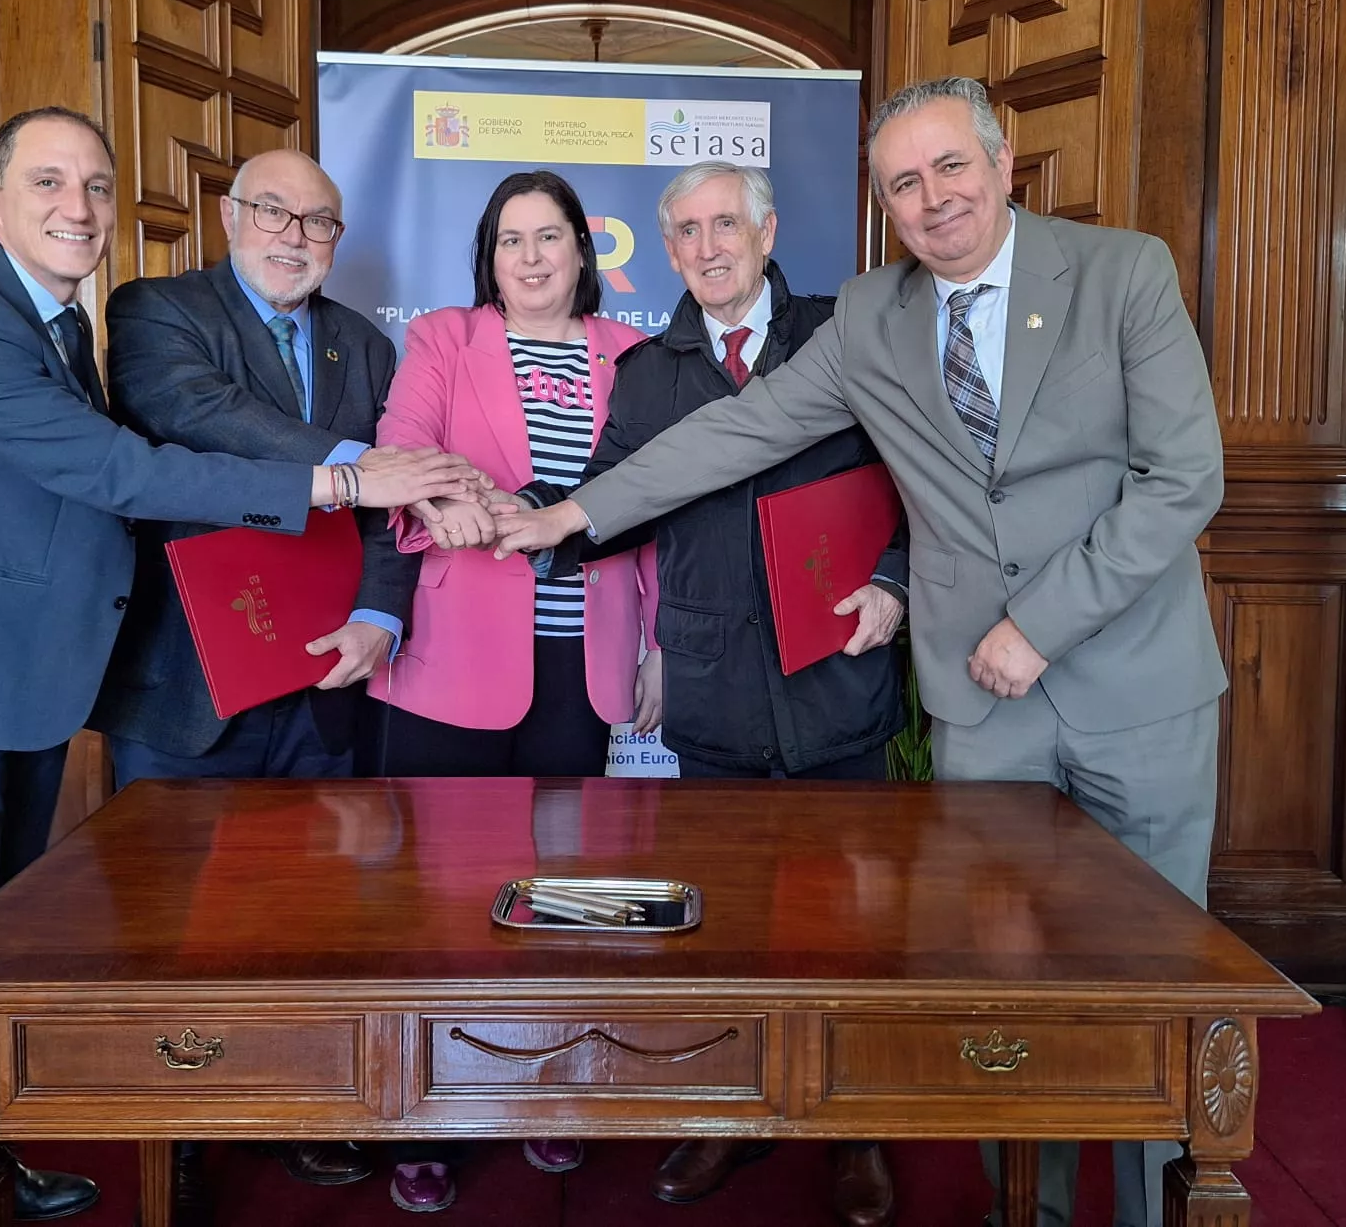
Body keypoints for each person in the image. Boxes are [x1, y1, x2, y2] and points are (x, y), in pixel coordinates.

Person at [495, 77, 1228, 1227]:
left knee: (1151, 986)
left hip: (1138, 688)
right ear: (883, 206)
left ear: (1002, 162)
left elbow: (1185, 481)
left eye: (950, 168)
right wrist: (568, 516)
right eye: (903, 183)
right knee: (1004, 989)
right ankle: (1022, 1210)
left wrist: (1038, 628)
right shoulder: (870, 320)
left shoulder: (1123, 272)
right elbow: (733, 433)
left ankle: (1145, 1213)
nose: (933, 199)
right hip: (985, 715)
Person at [0, 108, 479, 1227]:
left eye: (94, 187)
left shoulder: (56, 319)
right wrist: (337, 481)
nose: (75, 208)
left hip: (28, 690)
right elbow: (119, 468)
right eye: (46, 183)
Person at [516, 159, 906, 1227]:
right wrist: (528, 512)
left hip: (838, 676)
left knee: (850, 927)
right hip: (717, 694)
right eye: (684, 230)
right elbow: (616, 505)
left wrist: (897, 583)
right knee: (728, 921)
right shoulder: (651, 369)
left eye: (724, 223)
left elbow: (927, 479)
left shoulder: (846, 335)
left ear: (769, 230)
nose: (706, 246)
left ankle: (852, 1128)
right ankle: (728, 1116)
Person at [88, 147, 411, 1213]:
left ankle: (288, 1113)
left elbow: (387, 517)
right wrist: (363, 464)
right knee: (169, 925)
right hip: (187, 680)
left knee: (306, 920)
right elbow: (199, 416)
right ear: (230, 216)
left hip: (322, 679)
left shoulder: (365, 342)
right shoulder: (158, 313)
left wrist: (379, 614)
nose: (296, 236)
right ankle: (171, 1130)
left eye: (320, 223)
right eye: (274, 211)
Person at [368, 169, 659, 1212]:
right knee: (439, 901)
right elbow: (402, 450)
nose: (531, 258)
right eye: (510, 241)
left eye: (551, 238)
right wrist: (450, 495)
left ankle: (547, 1091)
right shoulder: (447, 339)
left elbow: (654, 501)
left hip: (582, 662)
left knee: (562, 899)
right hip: (451, 657)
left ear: (587, 251)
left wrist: (657, 644)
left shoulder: (633, 355)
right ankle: (431, 1121)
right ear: (487, 258)